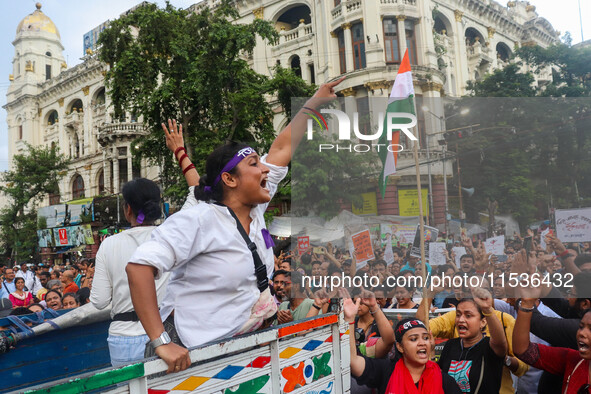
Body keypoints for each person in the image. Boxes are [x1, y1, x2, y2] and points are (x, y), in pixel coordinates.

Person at [126, 78, 344, 373]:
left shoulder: (256, 210)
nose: (265, 168)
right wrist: (161, 341)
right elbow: (139, 268)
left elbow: (281, 148)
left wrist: (314, 101)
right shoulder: (198, 219)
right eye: (254, 164)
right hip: (192, 359)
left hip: (239, 352)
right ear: (229, 180)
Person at [90, 178, 171, 367]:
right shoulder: (170, 237)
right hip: (166, 333)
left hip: (123, 339)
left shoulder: (109, 244)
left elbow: (99, 301)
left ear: (127, 209)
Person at [345, 297, 461, 393]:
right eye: (413, 339)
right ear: (400, 347)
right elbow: (354, 362)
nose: (422, 343)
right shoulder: (386, 371)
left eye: (425, 338)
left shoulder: (444, 381)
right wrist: (350, 319)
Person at [514, 285, 591, 394]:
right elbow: (523, 350)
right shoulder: (573, 360)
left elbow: (539, 323)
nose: (582, 333)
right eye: (581, 326)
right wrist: (526, 304)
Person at [437, 288, 507, 394]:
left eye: (468, 315)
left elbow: (500, 342)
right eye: (458, 314)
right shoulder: (450, 345)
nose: (461, 320)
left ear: (483, 322)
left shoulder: (489, 346)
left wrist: (487, 309)